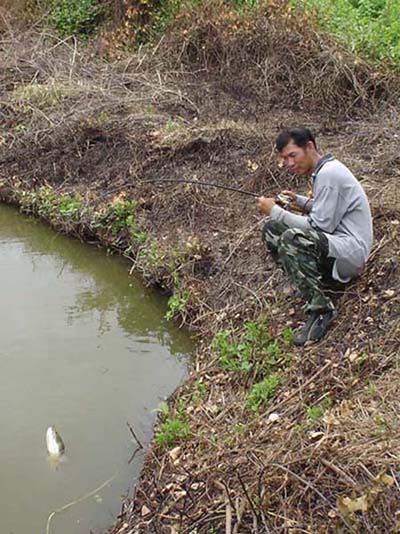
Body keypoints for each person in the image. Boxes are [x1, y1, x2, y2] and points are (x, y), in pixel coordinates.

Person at [257, 127, 373, 345]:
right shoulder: (324, 171)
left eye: (293, 155)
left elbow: (318, 228)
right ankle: (310, 284)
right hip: (338, 246)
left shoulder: (329, 174)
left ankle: (321, 311)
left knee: (293, 238)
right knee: (272, 229)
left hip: (351, 255)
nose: (289, 164)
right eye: (285, 158)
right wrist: (299, 201)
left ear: (310, 147)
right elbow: (327, 211)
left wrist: (275, 210)